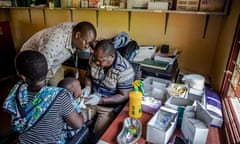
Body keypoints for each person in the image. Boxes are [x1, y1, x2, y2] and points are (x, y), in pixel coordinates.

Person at [3, 50, 84, 144]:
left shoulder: (16, 94)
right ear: (48, 70)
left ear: (23, 77)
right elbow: (77, 124)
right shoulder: (59, 96)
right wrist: (80, 112)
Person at [84, 39, 135, 139]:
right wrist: (87, 88)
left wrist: (100, 100)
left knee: (99, 134)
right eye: (96, 59)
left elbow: (124, 95)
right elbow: (88, 76)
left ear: (112, 56)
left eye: (101, 60)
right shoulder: (94, 59)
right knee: (76, 122)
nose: (97, 63)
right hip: (91, 99)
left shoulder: (124, 69)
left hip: (108, 107)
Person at [20, 21, 97, 86]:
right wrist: (42, 89)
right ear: (78, 35)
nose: (87, 46)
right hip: (33, 63)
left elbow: (86, 33)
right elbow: (41, 69)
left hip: (52, 62)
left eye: (89, 43)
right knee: (44, 92)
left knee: (60, 87)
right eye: (86, 43)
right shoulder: (56, 43)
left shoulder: (77, 30)